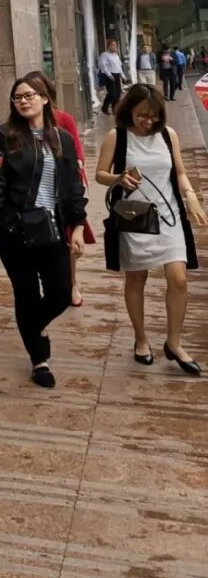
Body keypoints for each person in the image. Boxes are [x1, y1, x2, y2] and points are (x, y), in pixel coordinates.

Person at [0, 77, 87, 388]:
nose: (23, 101)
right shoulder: (3, 136)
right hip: (14, 229)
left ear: (44, 99)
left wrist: (78, 227)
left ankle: (31, 325)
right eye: (17, 98)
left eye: (29, 95)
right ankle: (40, 359)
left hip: (52, 228)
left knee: (61, 292)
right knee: (25, 292)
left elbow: (73, 186)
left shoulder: (63, 138)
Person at [94, 84, 206, 374]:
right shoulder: (117, 136)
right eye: (142, 115)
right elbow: (100, 174)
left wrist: (190, 195)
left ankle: (174, 343)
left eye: (154, 116)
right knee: (136, 278)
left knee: (178, 278)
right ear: (130, 110)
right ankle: (141, 338)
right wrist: (118, 178)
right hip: (135, 217)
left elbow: (179, 172)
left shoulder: (168, 135)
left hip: (169, 216)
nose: (148, 121)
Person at [23, 71, 96, 308]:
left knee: (68, 240)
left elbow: (77, 150)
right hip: (34, 196)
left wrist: (76, 167)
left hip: (63, 191)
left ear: (45, 95)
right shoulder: (18, 125)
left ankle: (72, 283)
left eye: (33, 92)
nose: (27, 99)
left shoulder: (63, 119)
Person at [97, 40, 124, 114]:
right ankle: (107, 108)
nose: (115, 46)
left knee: (118, 92)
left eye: (115, 45)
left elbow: (119, 66)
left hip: (117, 74)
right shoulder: (104, 55)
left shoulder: (116, 55)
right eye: (113, 45)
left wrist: (122, 75)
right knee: (112, 93)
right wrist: (109, 75)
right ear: (109, 46)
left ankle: (114, 107)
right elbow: (103, 66)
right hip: (109, 75)